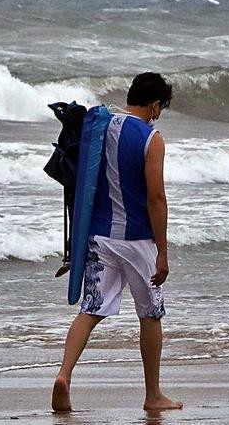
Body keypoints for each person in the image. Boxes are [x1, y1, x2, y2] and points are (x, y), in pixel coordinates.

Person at [52, 72, 182, 412]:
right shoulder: (151, 138)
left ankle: (63, 375)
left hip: (99, 237)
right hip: (138, 241)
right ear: (155, 105)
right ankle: (153, 395)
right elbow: (156, 197)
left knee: (90, 310)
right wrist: (163, 253)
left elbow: (81, 186)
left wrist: (75, 248)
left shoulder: (98, 126)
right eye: (161, 107)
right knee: (150, 315)